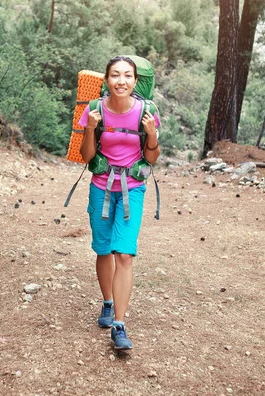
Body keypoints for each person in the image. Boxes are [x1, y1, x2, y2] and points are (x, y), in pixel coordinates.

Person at [79, 55, 161, 350]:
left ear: (136, 81)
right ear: (106, 79)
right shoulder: (94, 110)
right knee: (103, 250)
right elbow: (87, 156)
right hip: (101, 187)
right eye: (115, 75)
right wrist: (90, 128)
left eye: (127, 76)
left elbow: (151, 158)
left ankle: (119, 324)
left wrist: (152, 136)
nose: (121, 81)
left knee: (124, 254)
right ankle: (107, 302)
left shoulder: (147, 112)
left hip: (133, 189)